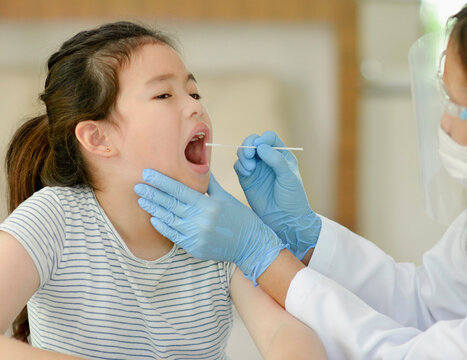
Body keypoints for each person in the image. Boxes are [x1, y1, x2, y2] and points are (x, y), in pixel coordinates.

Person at [0, 22, 327, 360]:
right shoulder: (52, 220)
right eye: (164, 95)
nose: (194, 107)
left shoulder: (220, 232)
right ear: (98, 137)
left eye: (194, 92)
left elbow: (287, 335)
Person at [133, 6, 467, 359]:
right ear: (96, 137)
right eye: (164, 95)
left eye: (459, 106)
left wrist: (263, 256)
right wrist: (305, 236)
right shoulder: (67, 222)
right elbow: (425, 305)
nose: (445, 124)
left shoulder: (221, 264)